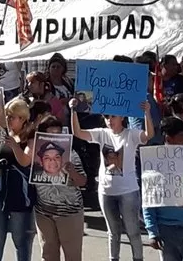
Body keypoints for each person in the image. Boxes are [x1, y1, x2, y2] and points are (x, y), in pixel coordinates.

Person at [71, 102, 149, 261]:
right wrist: (73, 110)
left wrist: (147, 113)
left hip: (128, 191)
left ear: (122, 117)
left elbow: (148, 136)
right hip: (106, 191)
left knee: (133, 230)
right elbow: (78, 133)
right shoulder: (102, 133)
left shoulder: (131, 134)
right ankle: (113, 258)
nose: (110, 120)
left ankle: (138, 258)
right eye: (107, 116)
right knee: (113, 231)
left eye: (113, 116)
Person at [0, 97, 37, 261]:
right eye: (6, 116)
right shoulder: (0, 132)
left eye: (12, 116)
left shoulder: (30, 137)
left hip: (18, 189)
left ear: (23, 119)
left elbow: (25, 161)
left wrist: (13, 144)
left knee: (19, 239)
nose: (8, 120)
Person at [32, 114, 87, 261]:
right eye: (50, 134)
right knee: (48, 255)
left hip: (70, 213)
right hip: (44, 213)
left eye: (58, 134)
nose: (55, 138)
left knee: (72, 256)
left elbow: (83, 181)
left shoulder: (71, 154)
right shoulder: (33, 155)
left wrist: (72, 172)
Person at [143, 118, 183, 261]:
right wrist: (152, 232)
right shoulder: (154, 163)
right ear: (169, 138)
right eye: (182, 136)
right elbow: (148, 201)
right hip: (166, 229)